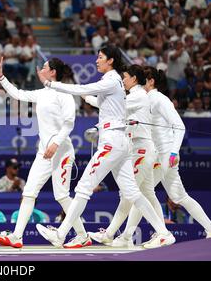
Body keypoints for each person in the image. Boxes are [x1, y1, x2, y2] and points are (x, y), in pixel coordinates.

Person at [35, 45, 176, 249]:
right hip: (120, 142)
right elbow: (102, 103)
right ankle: (163, 233)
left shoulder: (111, 80)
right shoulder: (114, 81)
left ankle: (61, 233)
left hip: (112, 142)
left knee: (84, 187)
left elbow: (83, 89)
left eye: (100, 57)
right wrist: (87, 98)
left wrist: (50, 84)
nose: (96, 60)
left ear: (110, 60)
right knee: (132, 192)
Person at [0, 57, 91, 249]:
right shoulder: (43, 93)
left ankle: (82, 235)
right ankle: (17, 236)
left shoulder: (64, 93)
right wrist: (2, 78)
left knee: (62, 196)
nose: (42, 68)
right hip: (43, 154)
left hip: (61, 152)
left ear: (53, 72)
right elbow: (19, 94)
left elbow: (69, 122)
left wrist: (55, 143)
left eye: (45, 66)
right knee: (29, 192)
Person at [116, 67, 211, 243]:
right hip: (156, 153)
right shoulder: (143, 99)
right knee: (178, 196)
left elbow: (179, 126)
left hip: (165, 154)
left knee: (143, 192)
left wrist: (174, 151)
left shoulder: (160, 99)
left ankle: (131, 236)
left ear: (151, 81)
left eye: (145, 78)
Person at [87, 64, 167, 248]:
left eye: (125, 77)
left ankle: (110, 234)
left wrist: (87, 96)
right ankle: (131, 236)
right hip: (141, 149)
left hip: (141, 149)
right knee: (146, 193)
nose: (123, 80)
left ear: (134, 79)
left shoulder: (138, 96)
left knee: (128, 194)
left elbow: (113, 108)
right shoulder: (135, 96)